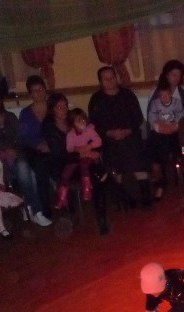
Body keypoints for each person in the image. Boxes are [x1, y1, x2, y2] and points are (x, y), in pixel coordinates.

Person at [0, 85, 51, 227]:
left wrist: (14, 150)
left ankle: (32, 209)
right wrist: (2, 151)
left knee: (28, 170)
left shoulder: (11, 117)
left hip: (16, 156)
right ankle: (35, 210)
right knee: (28, 172)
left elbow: (20, 139)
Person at [43, 93, 110, 234]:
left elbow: (94, 140)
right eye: (59, 107)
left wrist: (90, 151)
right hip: (65, 166)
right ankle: (114, 191)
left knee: (95, 174)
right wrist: (85, 152)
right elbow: (61, 153)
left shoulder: (75, 119)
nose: (64, 109)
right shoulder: (49, 126)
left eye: (65, 106)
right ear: (52, 109)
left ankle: (102, 218)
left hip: (83, 163)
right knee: (97, 172)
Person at [88, 66, 151, 206]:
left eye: (112, 77)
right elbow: (94, 123)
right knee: (114, 156)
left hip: (130, 135)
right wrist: (109, 133)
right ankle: (123, 198)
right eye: (106, 79)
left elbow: (137, 117)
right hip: (108, 138)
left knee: (136, 152)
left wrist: (127, 131)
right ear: (100, 82)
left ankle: (145, 194)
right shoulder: (96, 99)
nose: (110, 81)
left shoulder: (127, 95)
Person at [16, 76, 54, 223]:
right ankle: (40, 208)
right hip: (33, 150)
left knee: (43, 165)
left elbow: (63, 129)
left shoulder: (54, 107)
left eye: (40, 89)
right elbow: (24, 137)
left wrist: (50, 144)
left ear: (45, 90)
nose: (38, 93)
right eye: (34, 91)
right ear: (30, 94)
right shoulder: (26, 113)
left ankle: (41, 207)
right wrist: (38, 145)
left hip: (53, 148)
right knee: (35, 166)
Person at [63, 108, 102, 204]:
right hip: (77, 156)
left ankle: (87, 189)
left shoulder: (89, 130)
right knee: (66, 172)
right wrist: (78, 150)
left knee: (84, 165)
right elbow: (69, 148)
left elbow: (98, 141)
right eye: (79, 120)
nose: (82, 122)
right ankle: (63, 195)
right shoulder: (70, 134)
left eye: (83, 119)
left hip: (87, 155)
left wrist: (88, 147)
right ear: (72, 123)